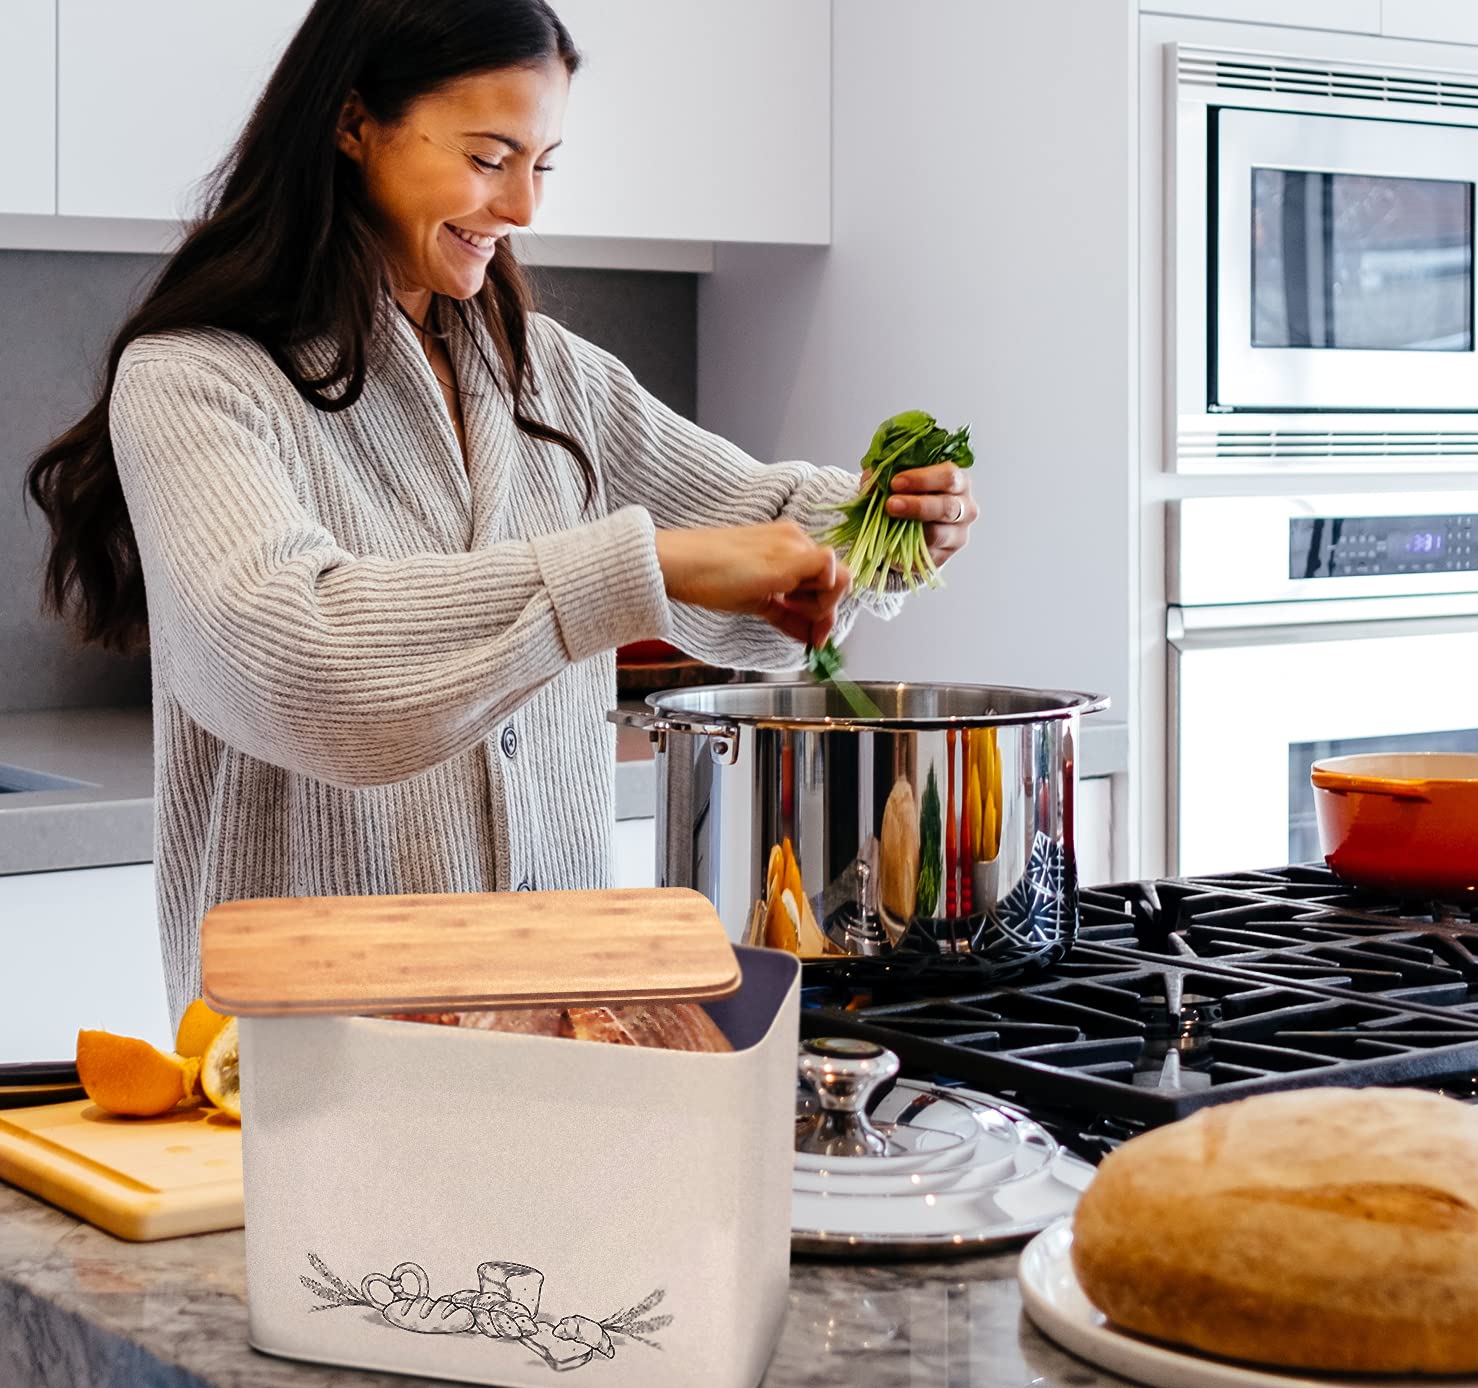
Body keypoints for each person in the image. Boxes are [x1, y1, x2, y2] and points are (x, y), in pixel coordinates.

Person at [25, 0, 979, 1028]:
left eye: (544, 163)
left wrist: (884, 526)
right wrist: (632, 569)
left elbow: (758, 522)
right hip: (321, 1062)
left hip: (558, 1037)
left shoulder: (547, 372)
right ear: (354, 125)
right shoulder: (199, 381)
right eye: (489, 156)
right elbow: (298, 657)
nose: (522, 206)